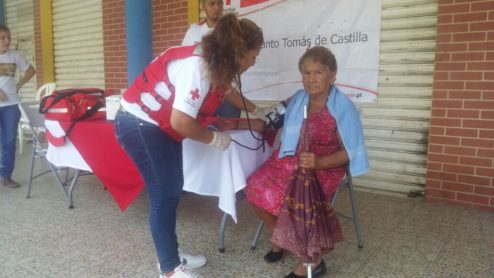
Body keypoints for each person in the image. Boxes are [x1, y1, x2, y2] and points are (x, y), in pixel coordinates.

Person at [114, 13, 265, 278]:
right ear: (239, 52)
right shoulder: (199, 67)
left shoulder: (214, 60)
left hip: (157, 125)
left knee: (171, 190)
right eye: (253, 56)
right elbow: (181, 121)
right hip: (139, 123)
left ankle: (170, 255)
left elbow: (226, 90)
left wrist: (256, 109)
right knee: (165, 195)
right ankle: (170, 269)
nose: (254, 62)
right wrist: (213, 138)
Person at [244, 46, 369, 278]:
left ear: (332, 75)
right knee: (253, 186)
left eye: (318, 72)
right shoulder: (296, 100)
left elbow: (349, 153)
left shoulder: (342, 108)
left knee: (288, 197)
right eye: (306, 73)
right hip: (291, 159)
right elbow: (270, 119)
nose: (311, 78)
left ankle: (311, 261)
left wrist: (319, 162)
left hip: (324, 167)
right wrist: (232, 124)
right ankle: (282, 240)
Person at [183, 0, 254, 119]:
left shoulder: (233, 32)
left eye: (220, 3)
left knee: (231, 131)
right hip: (201, 93)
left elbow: (239, 60)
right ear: (203, 6)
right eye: (212, 3)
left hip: (226, 94)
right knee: (202, 131)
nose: (217, 7)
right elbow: (185, 60)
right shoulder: (193, 31)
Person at [0, 24, 36, 188]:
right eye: (2, 38)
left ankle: (6, 176)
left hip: (11, 106)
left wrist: (20, 84)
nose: (6, 41)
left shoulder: (15, 56)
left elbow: (31, 70)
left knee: (9, 141)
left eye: (8, 37)